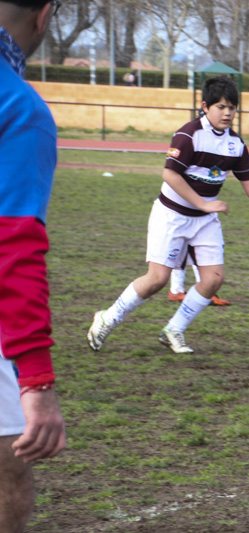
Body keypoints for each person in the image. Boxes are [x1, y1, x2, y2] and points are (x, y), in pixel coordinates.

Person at [88, 76, 249, 354]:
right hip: (171, 214)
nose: (228, 113)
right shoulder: (188, 135)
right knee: (157, 280)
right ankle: (107, 318)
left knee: (213, 279)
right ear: (205, 106)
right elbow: (169, 174)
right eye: (221, 107)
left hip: (204, 221)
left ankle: (174, 329)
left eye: (232, 107)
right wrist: (204, 203)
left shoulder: (235, 144)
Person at [0, 0, 67, 530]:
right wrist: (37, 382)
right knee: (9, 469)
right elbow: (15, 244)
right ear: (44, 15)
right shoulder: (20, 107)